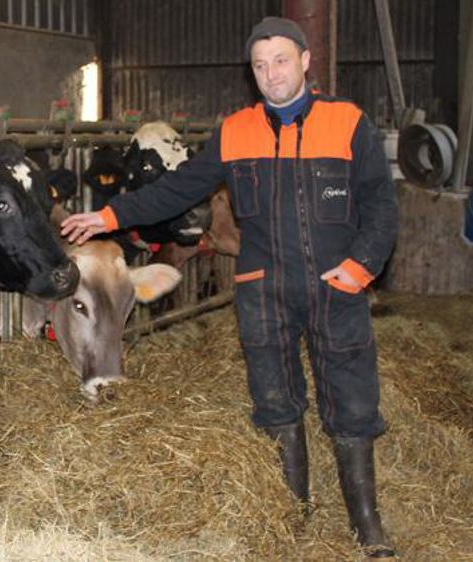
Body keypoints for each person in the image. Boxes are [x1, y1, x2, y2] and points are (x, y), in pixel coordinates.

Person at [61, 16, 398, 558]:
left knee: (353, 399)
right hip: (264, 288)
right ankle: (293, 516)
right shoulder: (236, 131)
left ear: (305, 61)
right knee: (275, 402)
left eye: (281, 61)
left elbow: (381, 202)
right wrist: (109, 215)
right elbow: (178, 188)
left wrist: (364, 264)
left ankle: (367, 524)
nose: (272, 74)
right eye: (260, 66)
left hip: (337, 284)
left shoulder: (348, 122)